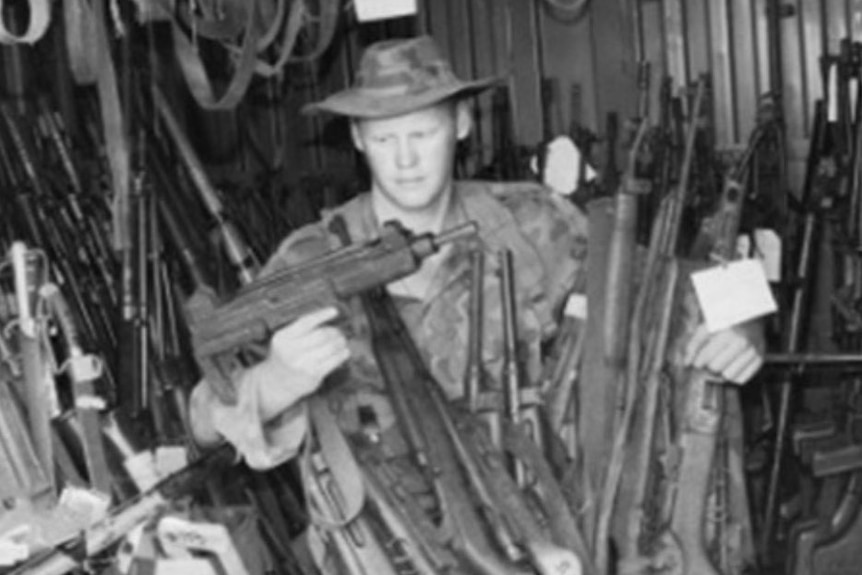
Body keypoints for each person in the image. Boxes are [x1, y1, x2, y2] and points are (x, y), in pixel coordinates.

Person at [188, 31, 764, 532]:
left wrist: (744, 329)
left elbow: (686, 284)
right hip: (383, 544)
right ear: (358, 139)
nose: (406, 160)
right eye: (385, 140)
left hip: (537, 531)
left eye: (423, 134)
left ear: (461, 125)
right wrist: (272, 382)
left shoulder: (532, 220)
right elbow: (200, 417)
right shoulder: (309, 259)